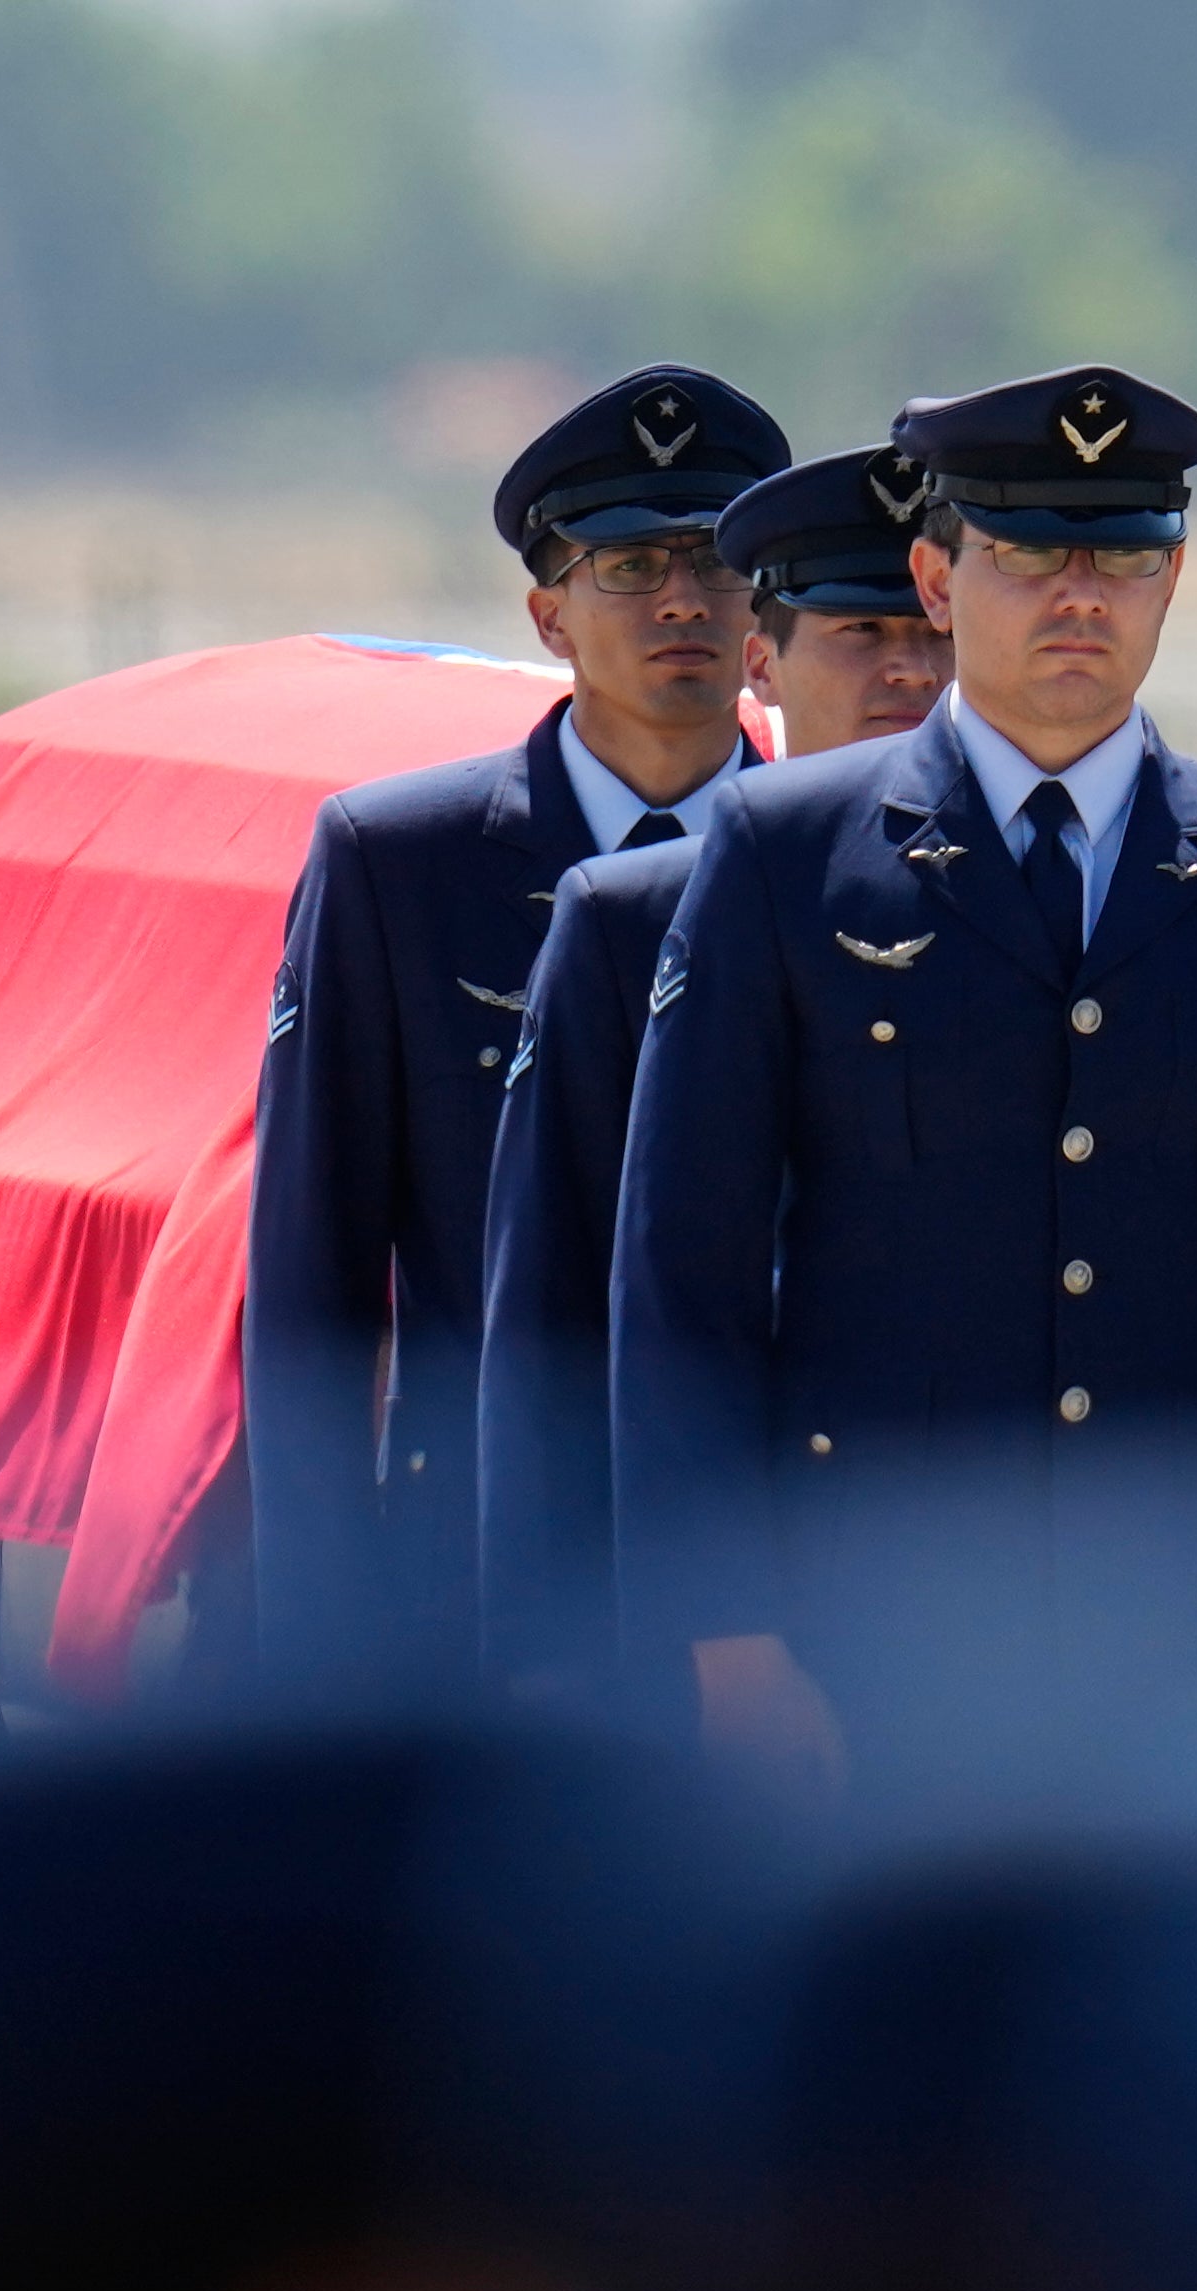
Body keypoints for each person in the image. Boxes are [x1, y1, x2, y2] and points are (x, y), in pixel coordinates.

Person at [611, 367, 1197, 1801]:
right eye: (1027, 552)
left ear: (1176, 577)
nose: (1081, 594)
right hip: (870, 1648)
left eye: (1126, 556)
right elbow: (681, 1281)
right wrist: (731, 1642)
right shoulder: (785, 853)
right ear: (936, 575)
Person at [249, 366, 789, 1698]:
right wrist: (323, 1639)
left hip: (777, 1572)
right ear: (547, 615)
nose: (682, 601)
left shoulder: (857, 870)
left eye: (719, 563)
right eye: (629, 567)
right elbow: (314, 1282)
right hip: (484, 1573)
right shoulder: (401, 866)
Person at [478, 444, 953, 1718]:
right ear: (766, 660)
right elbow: (561, 1301)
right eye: (859, 634)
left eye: (933, 634)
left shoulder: (1049, 906)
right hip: (719, 1609)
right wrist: (555, 1639)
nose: (906, 672)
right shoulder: (631, 919)